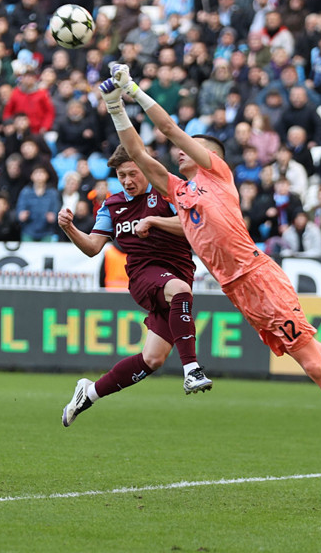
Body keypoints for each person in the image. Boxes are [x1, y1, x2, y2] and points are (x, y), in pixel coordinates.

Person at [96, 64, 321, 491]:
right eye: (182, 150)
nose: (180, 152)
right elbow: (138, 151)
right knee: (313, 353)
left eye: (191, 147)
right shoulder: (176, 194)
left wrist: (133, 89)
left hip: (259, 277)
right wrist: (114, 105)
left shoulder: (216, 175)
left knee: (313, 366)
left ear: (207, 154)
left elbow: (166, 128)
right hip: (238, 291)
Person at [59, 145, 213, 426]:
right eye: (122, 175)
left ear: (146, 168)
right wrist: (70, 228)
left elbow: (192, 225)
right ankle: (192, 370)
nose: (128, 180)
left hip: (178, 273)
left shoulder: (167, 192)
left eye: (133, 173)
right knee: (180, 291)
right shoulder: (112, 205)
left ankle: (89, 393)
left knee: (152, 359)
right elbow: (93, 247)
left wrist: (153, 220)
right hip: (144, 275)